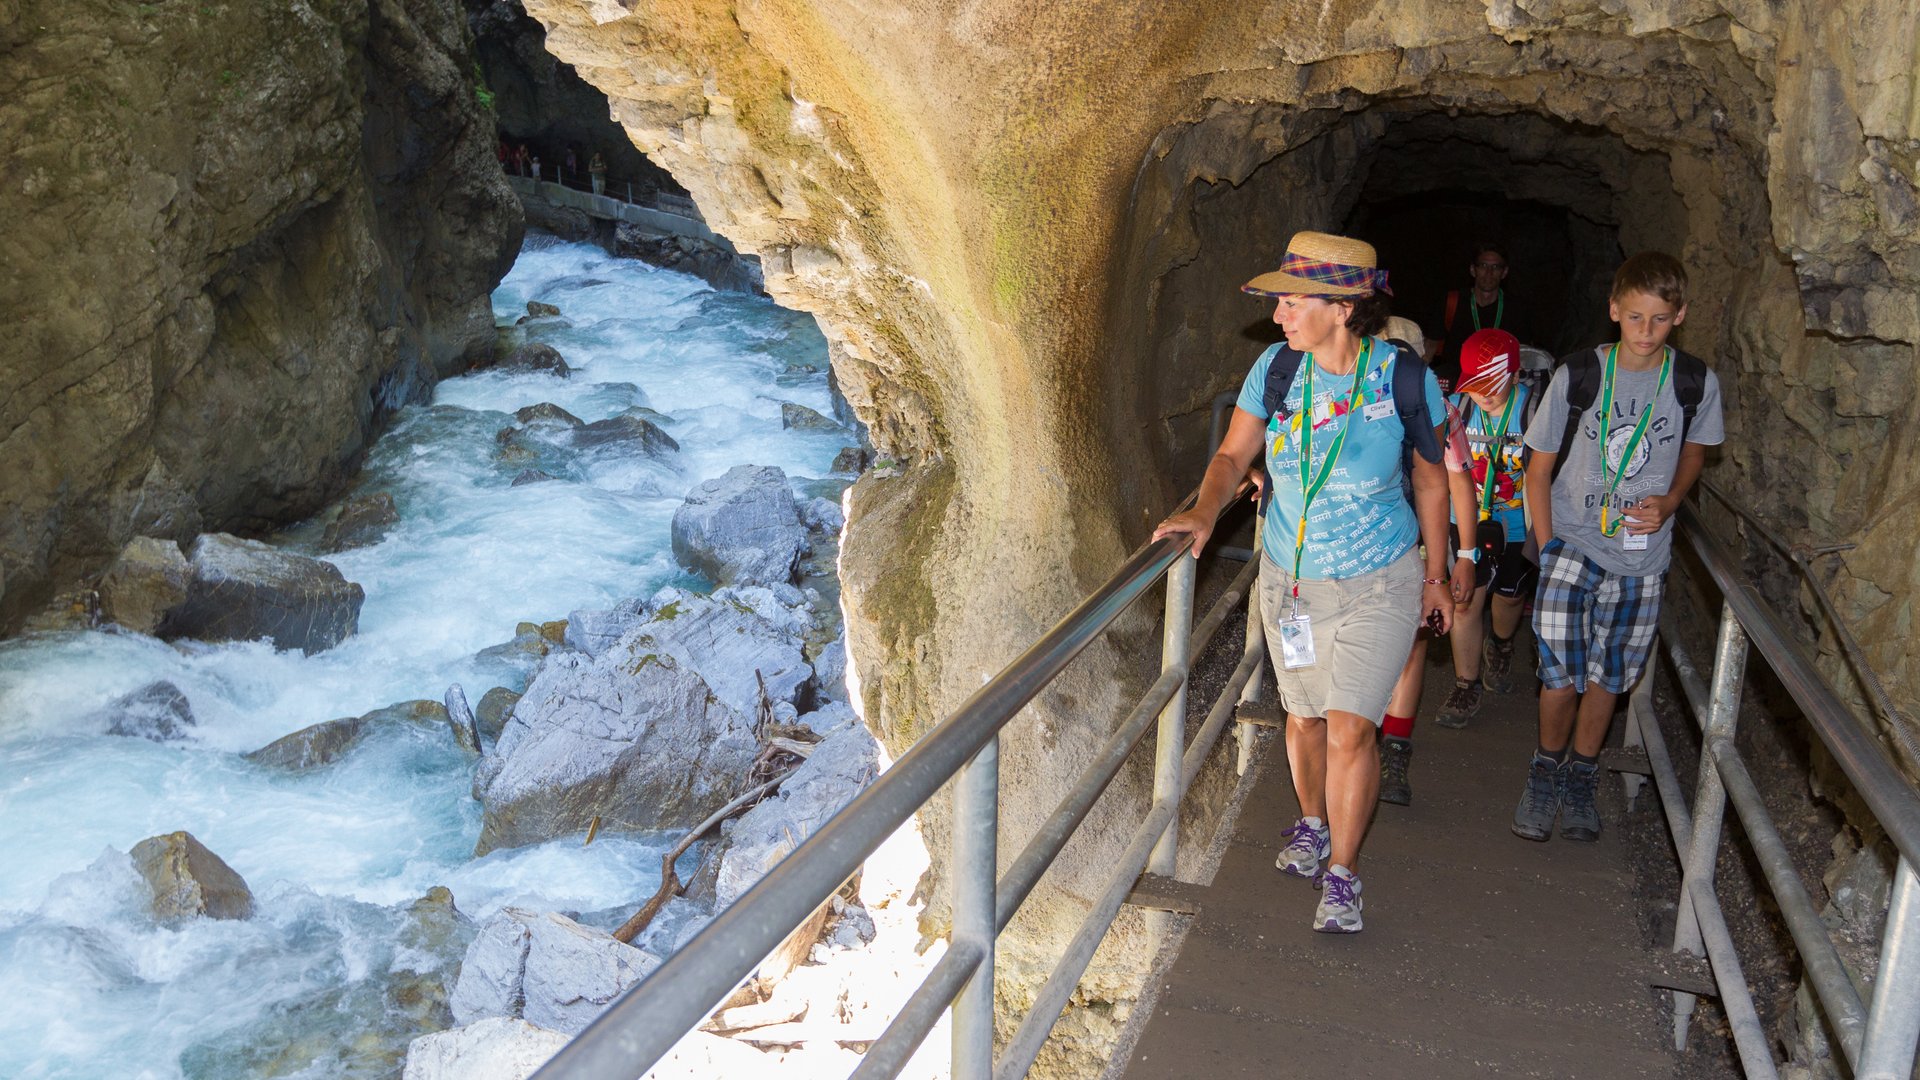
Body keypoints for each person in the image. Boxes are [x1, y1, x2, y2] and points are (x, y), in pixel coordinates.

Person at [1155, 232, 1452, 933]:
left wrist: (1438, 575)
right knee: (1306, 717)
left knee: (1350, 729)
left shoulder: (1404, 380)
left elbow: (1432, 480)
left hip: (1381, 579)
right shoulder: (1277, 368)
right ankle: (1313, 823)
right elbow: (1233, 456)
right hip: (1292, 583)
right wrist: (1204, 510)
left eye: (1293, 302)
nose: (1278, 314)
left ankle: (1344, 874)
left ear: (1342, 308)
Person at [1510, 252, 1723, 843]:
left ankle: (1582, 777)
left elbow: (1695, 451)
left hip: (1642, 557)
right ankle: (1545, 771)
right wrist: (1548, 547)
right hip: (1572, 542)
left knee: (1608, 678)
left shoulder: (1693, 382)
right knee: (1560, 677)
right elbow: (1538, 467)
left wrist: (1671, 501)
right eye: (1635, 317)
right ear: (1613, 310)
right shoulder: (1579, 375)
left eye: (1660, 319)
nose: (1646, 331)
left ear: (1680, 315)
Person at [1431, 327, 1538, 729]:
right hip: (1465, 523)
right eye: (1477, 385)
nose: (1485, 395)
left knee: (1509, 600)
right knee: (1463, 603)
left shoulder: (1534, 410)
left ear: (1516, 374)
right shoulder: (1456, 408)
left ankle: (1502, 644)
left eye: (1495, 385)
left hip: (1516, 527)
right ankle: (1466, 685)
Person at [1372, 315, 1446, 808]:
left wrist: (1447, 563)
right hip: (1361, 543)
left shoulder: (1431, 407)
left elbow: (1448, 479)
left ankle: (1395, 748)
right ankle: (1359, 738)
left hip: (1413, 536)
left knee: (1411, 644)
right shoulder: (1353, 404)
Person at [1428, 241, 1528, 392]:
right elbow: (1429, 348)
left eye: (1496, 267)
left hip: (1497, 387)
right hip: (1455, 383)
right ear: (1473, 270)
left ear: (1504, 272)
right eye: (1483, 266)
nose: (1489, 272)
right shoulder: (1452, 302)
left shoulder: (1516, 309)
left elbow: (1523, 354)